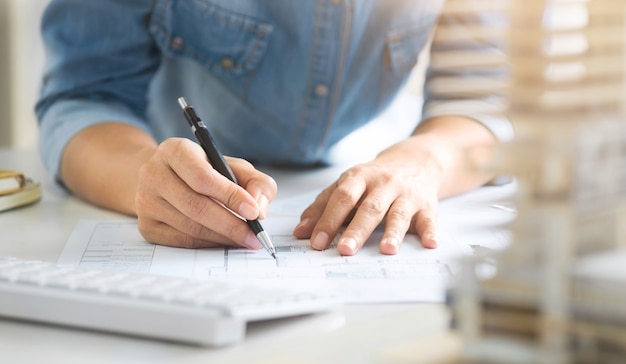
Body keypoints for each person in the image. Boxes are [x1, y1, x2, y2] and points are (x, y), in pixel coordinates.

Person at [36, 0, 510, 256]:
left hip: (381, 162)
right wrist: (144, 177)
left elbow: (485, 98)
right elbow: (84, 95)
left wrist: (421, 162)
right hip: (164, 169)